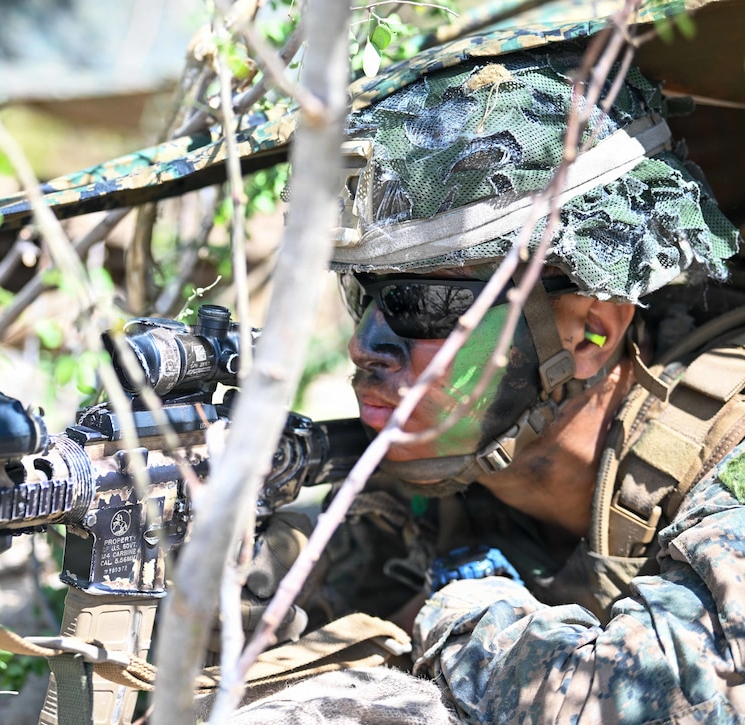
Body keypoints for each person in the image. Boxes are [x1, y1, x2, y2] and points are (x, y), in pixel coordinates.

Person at [239, 20, 745, 725]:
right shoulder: (451, 474)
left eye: (419, 303)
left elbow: (649, 697)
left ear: (592, 330)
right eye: (366, 296)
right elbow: (324, 576)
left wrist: (461, 615)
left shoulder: (729, 457)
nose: (366, 345)